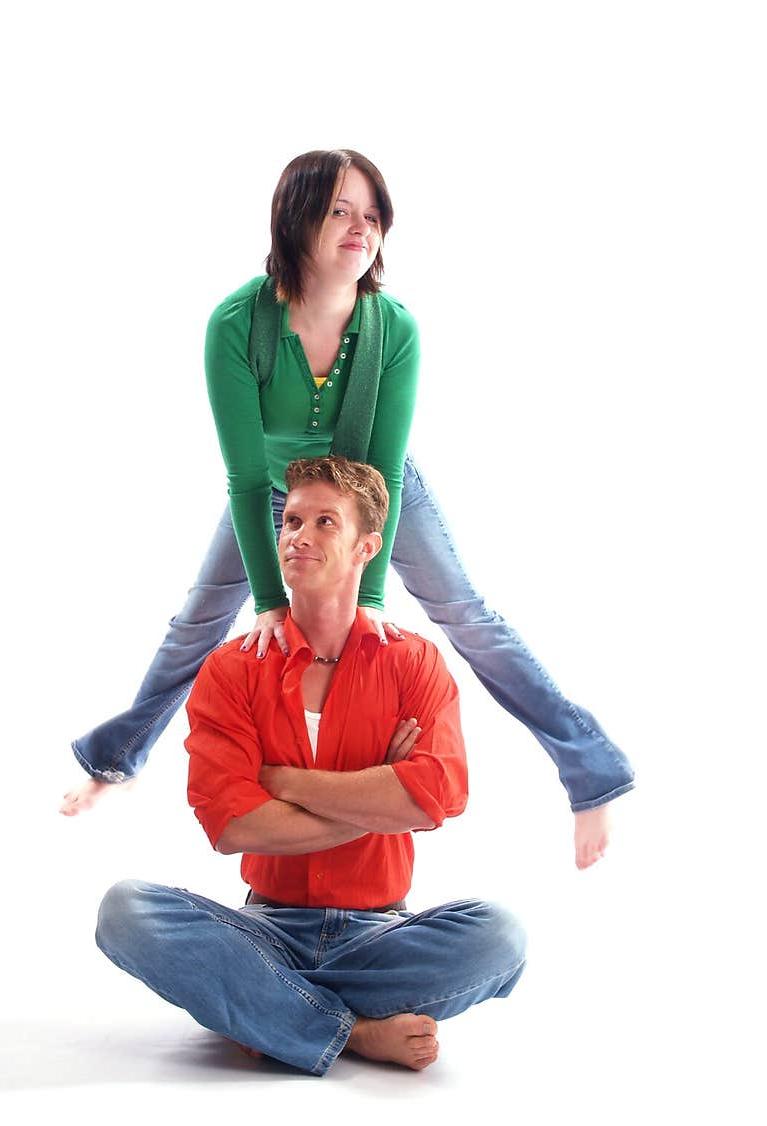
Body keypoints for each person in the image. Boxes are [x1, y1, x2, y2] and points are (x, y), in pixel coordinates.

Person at [63, 147, 633, 869]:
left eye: (372, 214)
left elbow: (384, 469)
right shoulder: (237, 325)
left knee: (465, 612)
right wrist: (270, 600)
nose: (360, 228)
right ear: (295, 219)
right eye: (339, 210)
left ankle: (592, 770)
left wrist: (366, 599)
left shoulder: (395, 330)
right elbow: (243, 477)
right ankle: (116, 757)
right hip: (274, 492)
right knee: (196, 624)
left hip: (374, 488)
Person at [95, 458, 527, 1074]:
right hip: (264, 930)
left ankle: (265, 1010)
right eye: (292, 520)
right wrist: (381, 800)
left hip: (381, 935)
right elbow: (233, 827)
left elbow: (439, 795)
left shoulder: (413, 664)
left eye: (326, 522)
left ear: (366, 549)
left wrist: (286, 783)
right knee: (126, 911)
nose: (299, 535)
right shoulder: (232, 669)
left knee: (500, 936)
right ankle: (350, 1031)